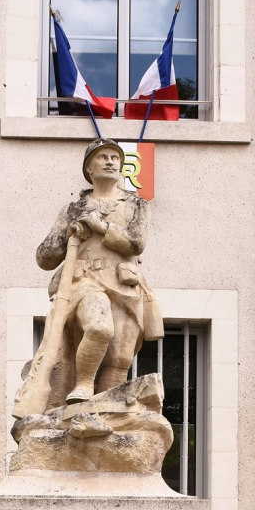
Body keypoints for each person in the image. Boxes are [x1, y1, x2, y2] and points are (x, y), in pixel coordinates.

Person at [36, 138, 163, 406]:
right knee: (99, 328)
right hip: (86, 281)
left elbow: (136, 243)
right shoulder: (73, 209)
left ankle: (105, 412)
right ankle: (82, 386)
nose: (110, 161)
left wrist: (101, 227)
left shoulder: (136, 205)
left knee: (119, 359)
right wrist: (70, 233)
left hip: (124, 285)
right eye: (102, 157)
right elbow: (44, 258)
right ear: (89, 169)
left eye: (115, 158)